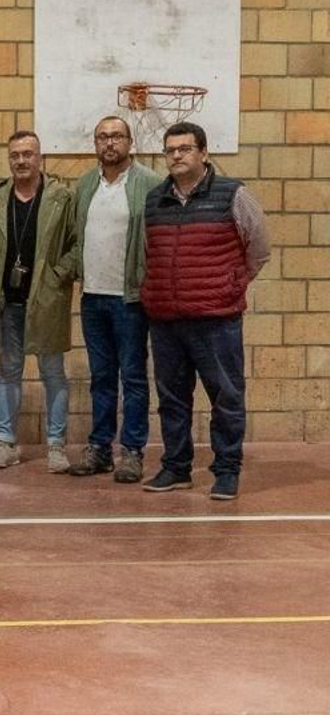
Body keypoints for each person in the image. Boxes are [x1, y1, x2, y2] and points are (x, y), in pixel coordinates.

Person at [140, 122, 272, 500]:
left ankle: (227, 470)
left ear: (203, 153)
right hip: (166, 320)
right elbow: (150, 253)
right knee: (172, 399)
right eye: (171, 150)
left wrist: (233, 282)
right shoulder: (154, 200)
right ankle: (176, 468)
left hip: (217, 321)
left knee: (226, 398)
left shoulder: (234, 194)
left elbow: (258, 248)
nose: (177, 155)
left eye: (185, 148)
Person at [63, 116, 160, 484]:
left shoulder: (149, 183)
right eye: (102, 136)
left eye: (116, 136)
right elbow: (77, 236)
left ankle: (132, 451)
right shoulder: (86, 183)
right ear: (95, 144)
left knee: (133, 377)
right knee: (101, 378)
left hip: (130, 299)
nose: (109, 143)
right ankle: (100, 448)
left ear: (130, 141)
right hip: (92, 297)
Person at [0, 130, 78, 473]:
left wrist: (57, 275)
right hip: (8, 302)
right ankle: (6, 442)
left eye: (28, 154)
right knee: (9, 372)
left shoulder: (61, 198)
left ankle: (56, 445)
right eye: (15, 154)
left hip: (47, 300)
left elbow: (77, 244)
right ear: (9, 159)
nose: (22, 160)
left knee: (52, 373)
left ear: (40, 157)